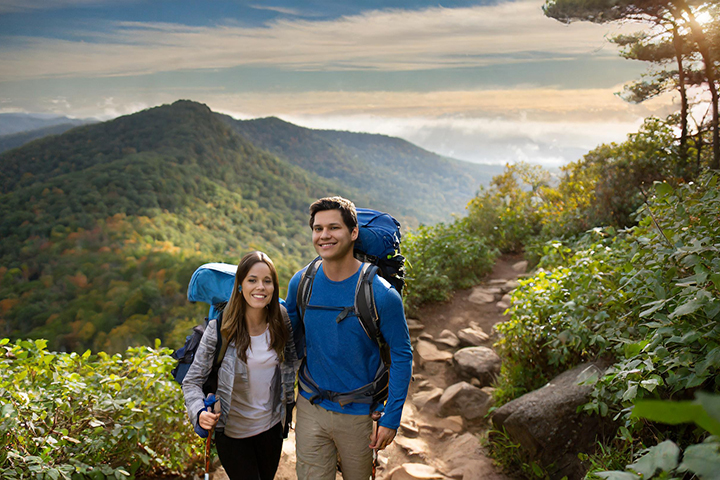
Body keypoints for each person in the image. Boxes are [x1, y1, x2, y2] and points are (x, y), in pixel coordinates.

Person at [285, 196, 413, 480]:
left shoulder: (381, 294)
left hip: (361, 415)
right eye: (318, 229)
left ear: (353, 233)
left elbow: (403, 356)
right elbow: (285, 341)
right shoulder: (301, 282)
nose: (324, 235)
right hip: (310, 405)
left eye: (334, 228)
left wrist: (391, 417)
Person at [182, 251, 298, 480]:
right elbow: (192, 381)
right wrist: (198, 413)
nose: (260, 287)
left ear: (275, 287)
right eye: (252, 280)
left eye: (267, 281)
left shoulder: (281, 319)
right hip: (233, 433)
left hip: (271, 428)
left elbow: (292, 362)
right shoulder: (220, 329)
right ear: (239, 286)